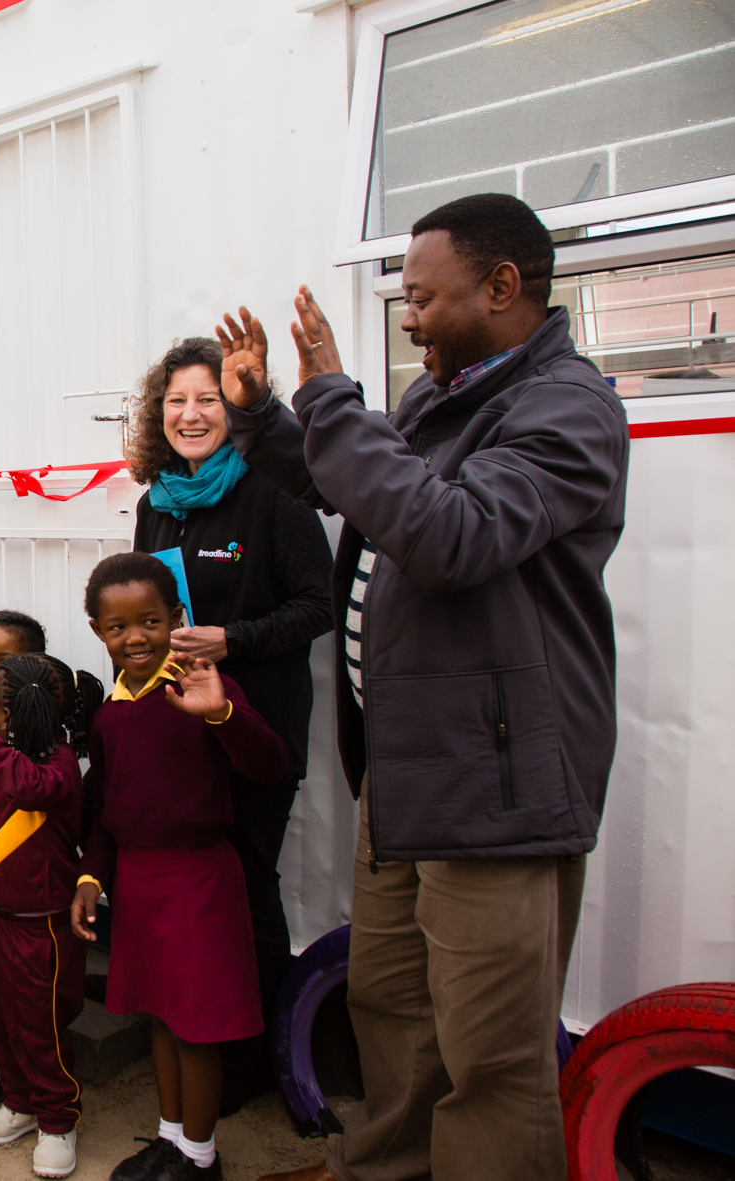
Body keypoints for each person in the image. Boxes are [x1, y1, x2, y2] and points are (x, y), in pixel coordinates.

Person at [226, 194, 629, 1181]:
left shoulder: (565, 406)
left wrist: (330, 396)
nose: (406, 315)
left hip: (492, 787)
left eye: (418, 296)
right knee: (393, 1011)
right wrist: (263, 416)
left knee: (488, 1057)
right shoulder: (442, 394)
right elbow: (349, 486)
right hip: (403, 776)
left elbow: (447, 536)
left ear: (500, 287)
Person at [128, 337, 333, 1104]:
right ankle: (200, 1039)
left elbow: (316, 604)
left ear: (235, 407)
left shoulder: (275, 490)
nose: (190, 414)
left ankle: (257, 1063)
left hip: (256, 730)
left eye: (208, 399)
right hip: (180, 726)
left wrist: (232, 639)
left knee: (248, 887)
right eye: (176, 400)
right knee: (196, 892)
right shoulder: (156, 503)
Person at [72, 553, 288, 1181]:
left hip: (198, 879)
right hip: (139, 883)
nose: (135, 637)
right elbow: (106, 808)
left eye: (150, 622)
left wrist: (221, 714)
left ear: (177, 619)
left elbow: (269, 766)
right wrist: (92, 874)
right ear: (97, 631)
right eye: (118, 627)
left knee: (196, 1026)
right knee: (160, 1017)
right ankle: (172, 1140)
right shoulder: (110, 713)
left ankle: (201, 1155)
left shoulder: (204, 686)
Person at [0, 655, 101, 1180]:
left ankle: (57, 1119)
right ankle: (21, 1103)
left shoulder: (56, 764)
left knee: (38, 1027)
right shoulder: (11, 754)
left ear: (13, 711)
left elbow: (31, 788)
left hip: (39, 925)